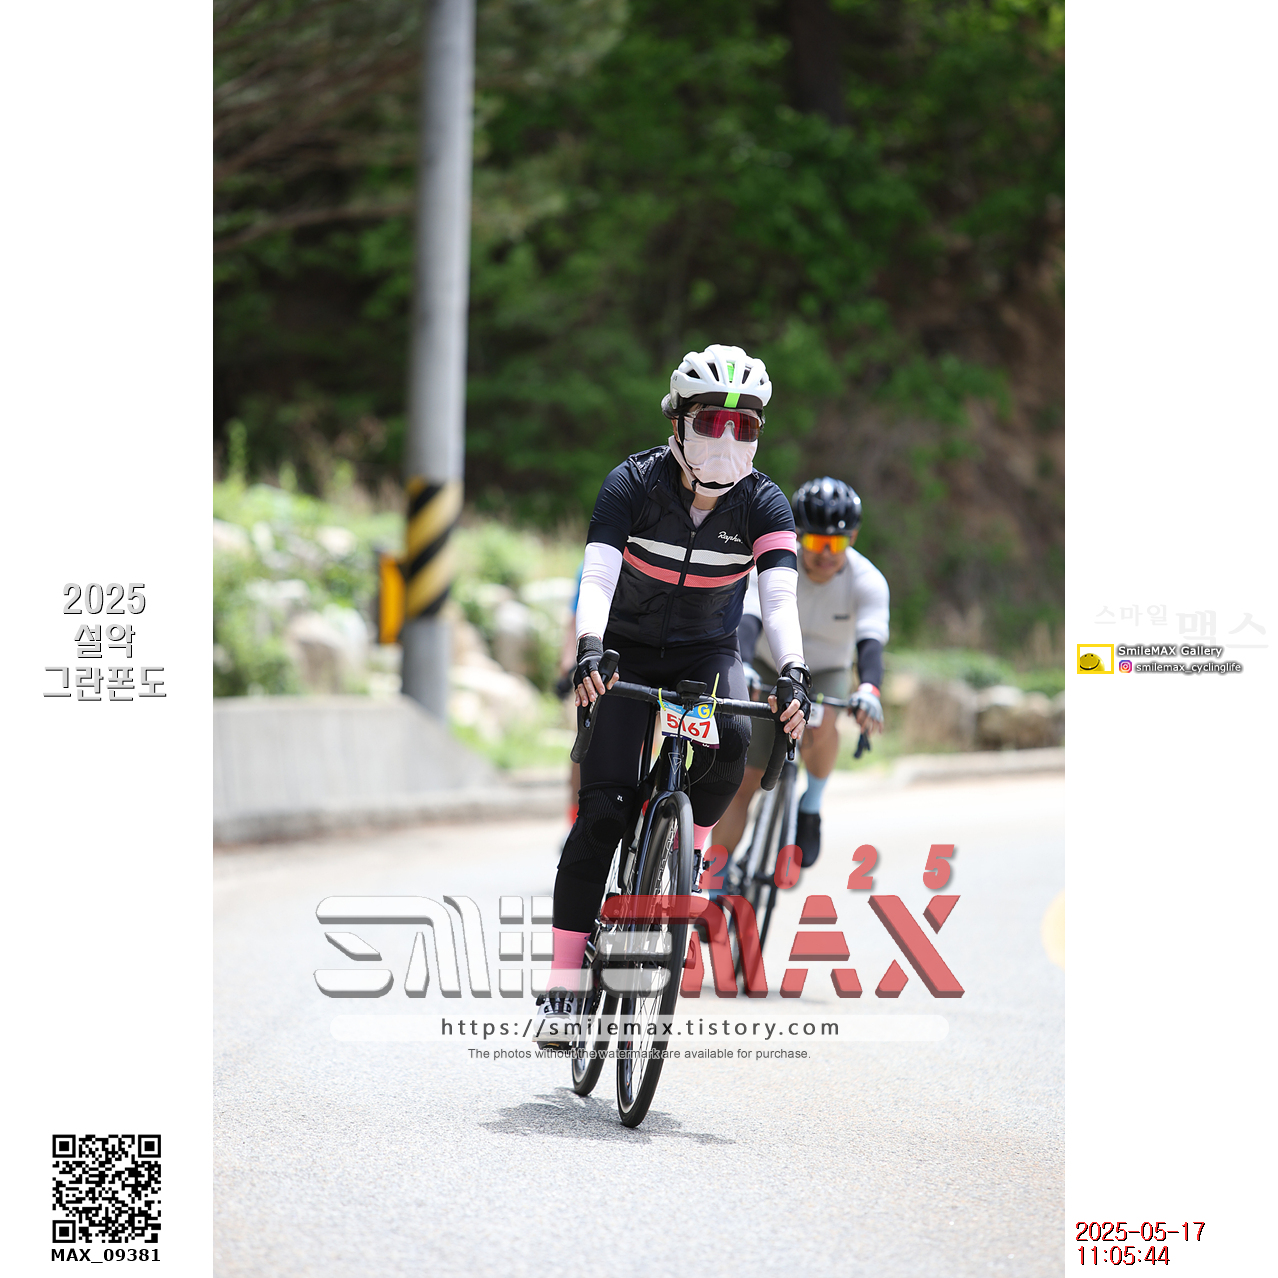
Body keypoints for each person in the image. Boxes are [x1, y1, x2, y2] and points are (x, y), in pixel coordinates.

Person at [536, 344, 812, 1042]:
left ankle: (687, 853)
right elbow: (597, 576)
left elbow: (779, 600)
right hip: (624, 651)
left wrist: (794, 671)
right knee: (600, 816)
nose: (727, 438)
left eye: (745, 426)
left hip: (706, 654)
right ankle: (564, 983)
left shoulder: (765, 503)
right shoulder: (631, 483)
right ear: (677, 422)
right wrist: (590, 646)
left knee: (737, 742)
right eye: (711, 421)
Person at [712, 476, 889, 868]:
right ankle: (716, 877)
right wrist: (743, 667)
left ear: (853, 538)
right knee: (744, 780)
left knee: (821, 721)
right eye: (816, 542)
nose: (825, 554)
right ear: (798, 536)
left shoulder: (868, 581)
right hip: (768, 663)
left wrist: (870, 689)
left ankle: (811, 803)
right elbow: (750, 618)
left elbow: (871, 643)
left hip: (826, 669)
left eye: (836, 544)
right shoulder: (774, 564)